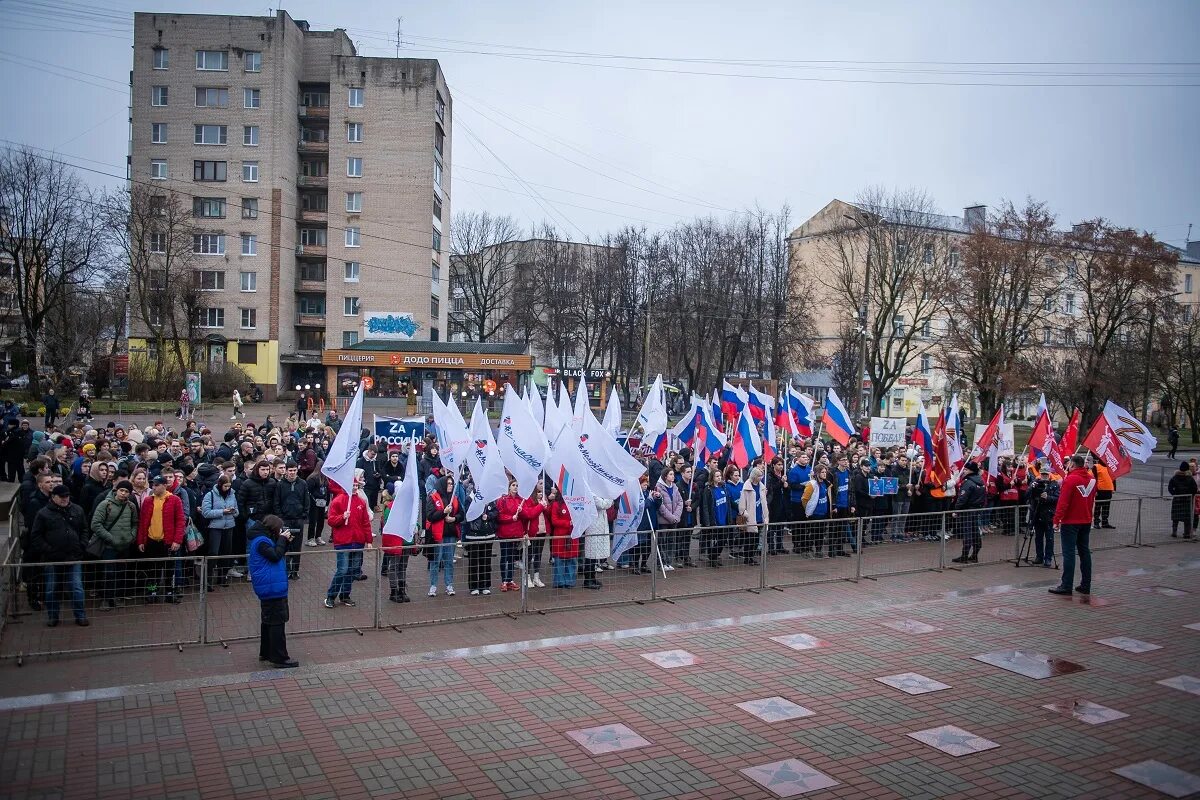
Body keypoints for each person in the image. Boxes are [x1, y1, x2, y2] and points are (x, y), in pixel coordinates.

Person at [29, 484, 89, 627]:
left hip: (74, 557)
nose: (65, 499)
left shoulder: (77, 510)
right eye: (62, 497)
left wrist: (82, 545)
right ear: (53, 497)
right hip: (52, 558)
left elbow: (85, 529)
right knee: (51, 589)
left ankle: (80, 615)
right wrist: (48, 550)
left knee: (76, 588)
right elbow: (36, 536)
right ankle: (53, 616)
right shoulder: (43, 513)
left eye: (67, 496)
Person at [249, 515, 298, 668]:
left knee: (268, 621)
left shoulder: (262, 540)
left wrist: (285, 543)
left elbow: (278, 552)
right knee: (277, 622)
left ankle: (266, 652)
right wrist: (282, 540)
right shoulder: (262, 542)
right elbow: (276, 556)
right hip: (271, 587)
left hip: (270, 586)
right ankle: (279, 657)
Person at [324, 470, 373, 608]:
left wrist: (369, 541)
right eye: (352, 486)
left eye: (356, 486)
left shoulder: (361, 502)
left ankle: (345, 595)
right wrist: (342, 517)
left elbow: (365, 523)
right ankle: (331, 596)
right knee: (343, 570)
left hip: (357, 541)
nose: (355, 488)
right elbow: (331, 521)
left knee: (352, 570)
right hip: (343, 542)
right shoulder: (338, 501)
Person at [1050, 454, 1097, 595]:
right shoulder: (1092, 479)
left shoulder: (1070, 479)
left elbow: (1063, 502)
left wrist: (1056, 520)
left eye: (1068, 464)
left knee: (1069, 553)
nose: (1066, 466)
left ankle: (1066, 585)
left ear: (1072, 465)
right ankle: (1085, 584)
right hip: (1086, 520)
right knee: (1084, 552)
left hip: (1071, 521)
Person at [90, 478, 139, 608]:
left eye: (126, 491)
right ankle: (106, 599)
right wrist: (110, 538)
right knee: (108, 573)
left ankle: (117, 597)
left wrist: (132, 536)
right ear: (116, 490)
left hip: (125, 545)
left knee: (121, 572)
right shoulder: (105, 504)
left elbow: (135, 523)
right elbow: (95, 524)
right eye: (121, 490)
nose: (123, 493)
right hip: (109, 546)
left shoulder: (131, 506)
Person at [137, 475, 186, 602]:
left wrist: (177, 540)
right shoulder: (148, 501)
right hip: (152, 540)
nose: (153, 487)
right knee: (152, 569)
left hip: (168, 541)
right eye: (153, 485)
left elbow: (180, 521)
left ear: (165, 485)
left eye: (157, 485)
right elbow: (143, 522)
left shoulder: (174, 500)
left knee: (170, 569)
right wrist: (141, 540)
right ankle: (152, 591)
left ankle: (170, 592)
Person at [424, 474, 461, 597]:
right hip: (438, 535)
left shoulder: (454, 498)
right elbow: (430, 515)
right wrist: (443, 513)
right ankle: (433, 585)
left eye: (452, 484)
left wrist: (454, 518)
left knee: (449, 560)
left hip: (450, 534)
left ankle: (449, 584)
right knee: (436, 561)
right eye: (448, 483)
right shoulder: (433, 498)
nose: (450, 486)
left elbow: (462, 515)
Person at [201, 475, 238, 590]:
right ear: (220, 485)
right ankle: (208, 581)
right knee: (213, 553)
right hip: (215, 528)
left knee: (226, 553)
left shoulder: (232, 494)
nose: (227, 488)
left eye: (229, 486)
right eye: (225, 486)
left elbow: (237, 511)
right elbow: (206, 512)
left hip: (229, 526)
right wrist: (222, 511)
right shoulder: (210, 495)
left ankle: (222, 577)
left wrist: (233, 511)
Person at [273, 461, 310, 579]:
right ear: (286, 471)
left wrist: (304, 514)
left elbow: (306, 500)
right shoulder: (280, 485)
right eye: (290, 470)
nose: (292, 473)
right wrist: (280, 516)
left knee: (297, 546)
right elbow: (277, 501)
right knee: (286, 545)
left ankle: (295, 571)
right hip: (285, 520)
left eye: (294, 470)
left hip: (298, 519)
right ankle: (286, 569)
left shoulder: (303, 483)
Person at [951, 461, 988, 564]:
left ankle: (964, 556)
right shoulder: (980, 480)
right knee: (975, 533)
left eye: (966, 469)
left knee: (967, 533)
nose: (964, 471)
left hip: (967, 511)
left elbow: (962, 498)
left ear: (970, 470)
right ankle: (974, 555)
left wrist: (956, 510)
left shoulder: (968, 482)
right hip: (976, 510)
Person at [462, 498, 497, 596]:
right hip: (474, 535)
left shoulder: (490, 499)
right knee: (474, 562)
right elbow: (467, 514)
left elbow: (496, 512)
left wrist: (488, 516)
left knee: (485, 561)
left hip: (488, 534)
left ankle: (485, 585)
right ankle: (473, 586)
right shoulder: (470, 498)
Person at [1027, 466, 1059, 567]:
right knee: (1038, 537)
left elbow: (1057, 498)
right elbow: (1027, 496)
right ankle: (1039, 556)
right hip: (1037, 513)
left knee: (1049, 538)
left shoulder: (1054, 484)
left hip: (1049, 514)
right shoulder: (1035, 483)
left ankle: (1048, 558)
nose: (1044, 476)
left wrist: (1048, 497)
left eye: (1046, 474)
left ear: (1049, 474)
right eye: (1042, 474)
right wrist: (1032, 487)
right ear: (1040, 474)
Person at [547, 487, 577, 588]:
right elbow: (554, 520)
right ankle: (559, 582)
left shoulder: (575, 504)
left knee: (571, 559)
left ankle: (570, 581)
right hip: (560, 536)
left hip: (573, 535)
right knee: (559, 560)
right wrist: (568, 523)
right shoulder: (556, 504)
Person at [739, 467, 768, 566]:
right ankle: (747, 557)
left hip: (760, 516)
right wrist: (744, 513)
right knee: (749, 539)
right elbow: (742, 504)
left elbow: (764, 503)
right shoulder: (746, 488)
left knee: (756, 540)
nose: (761, 477)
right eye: (760, 476)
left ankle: (752, 556)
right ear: (754, 476)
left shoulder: (761, 487)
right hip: (751, 517)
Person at [582, 495, 612, 589]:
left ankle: (592, 577)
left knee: (594, 555)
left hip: (599, 526)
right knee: (590, 555)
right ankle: (587, 580)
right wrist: (611, 496)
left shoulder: (599, 493)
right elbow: (603, 504)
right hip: (593, 527)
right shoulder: (592, 494)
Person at [1168, 461, 1196, 539]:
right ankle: (1186, 534)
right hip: (1187, 499)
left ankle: (1174, 532)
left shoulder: (1175, 477)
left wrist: (1174, 494)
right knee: (1187, 518)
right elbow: (1194, 488)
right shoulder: (1189, 478)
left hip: (1177, 499)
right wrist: (1192, 495)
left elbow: (1170, 487)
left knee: (1175, 517)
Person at [1091, 459, 1115, 529]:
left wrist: (1114, 488)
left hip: (1108, 490)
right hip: (1100, 490)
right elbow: (1094, 478)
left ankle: (1105, 523)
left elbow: (1114, 478)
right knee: (1098, 507)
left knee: (1106, 508)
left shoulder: (1110, 467)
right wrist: (1095, 490)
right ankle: (1096, 522)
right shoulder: (1096, 467)